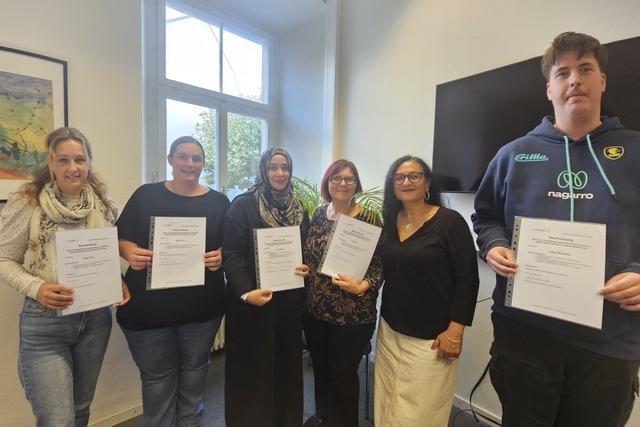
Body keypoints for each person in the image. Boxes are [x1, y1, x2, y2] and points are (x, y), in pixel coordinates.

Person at [472, 32, 640, 427]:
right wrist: (493, 245)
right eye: (563, 73)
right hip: (525, 335)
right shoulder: (513, 154)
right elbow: (486, 216)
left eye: (585, 69)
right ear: (549, 89)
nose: (574, 80)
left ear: (602, 81)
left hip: (610, 343)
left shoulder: (635, 152)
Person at [0, 127, 130, 425]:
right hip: (45, 322)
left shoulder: (104, 203)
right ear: (51, 162)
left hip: (95, 319)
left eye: (80, 160)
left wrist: (116, 280)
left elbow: (102, 254)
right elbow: (4, 258)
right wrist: (36, 287)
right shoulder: (28, 203)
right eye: (64, 160)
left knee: (81, 410)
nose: (73, 168)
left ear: (89, 162)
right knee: (57, 419)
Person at [116, 136, 229, 426]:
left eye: (196, 159)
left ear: (203, 163)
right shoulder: (146, 195)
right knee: (157, 382)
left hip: (202, 311)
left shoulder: (219, 202)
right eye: (182, 157)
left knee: (195, 374)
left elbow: (231, 245)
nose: (189, 164)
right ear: (170, 160)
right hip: (149, 312)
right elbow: (119, 237)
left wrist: (221, 255)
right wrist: (129, 252)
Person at [375, 155, 479, 427]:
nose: (406, 182)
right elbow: (384, 268)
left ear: (428, 183)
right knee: (387, 399)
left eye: (414, 176)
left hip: (431, 336)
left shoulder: (449, 223)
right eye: (399, 177)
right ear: (392, 185)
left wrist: (455, 331)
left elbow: (468, 279)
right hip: (390, 328)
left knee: (422, 411)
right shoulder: (390, 220)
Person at [223, 147, 310, 427]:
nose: (280, 173)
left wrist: (305, 268)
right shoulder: (243, 205)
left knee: (286, 368)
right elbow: (231, 255)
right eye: (273, 167)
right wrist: (247, 292)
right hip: (253, 304)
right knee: (253, 370)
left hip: (288, 305)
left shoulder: (299, 209)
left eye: (285, 167)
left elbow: (304, 251)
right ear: (263, 170)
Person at [302, 159, 382, 427]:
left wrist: (362, 285)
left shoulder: (369, 218)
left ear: (356, 184)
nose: (343, 183)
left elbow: (380, 265)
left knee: (342, 376)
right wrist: (305, 268)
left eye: (349, 179)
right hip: (315, 311)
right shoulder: (318, 214)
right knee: (321, 371)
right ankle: (323, 418)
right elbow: (310, 256)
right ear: (327, 182)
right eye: (336, 178)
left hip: (351, 314)